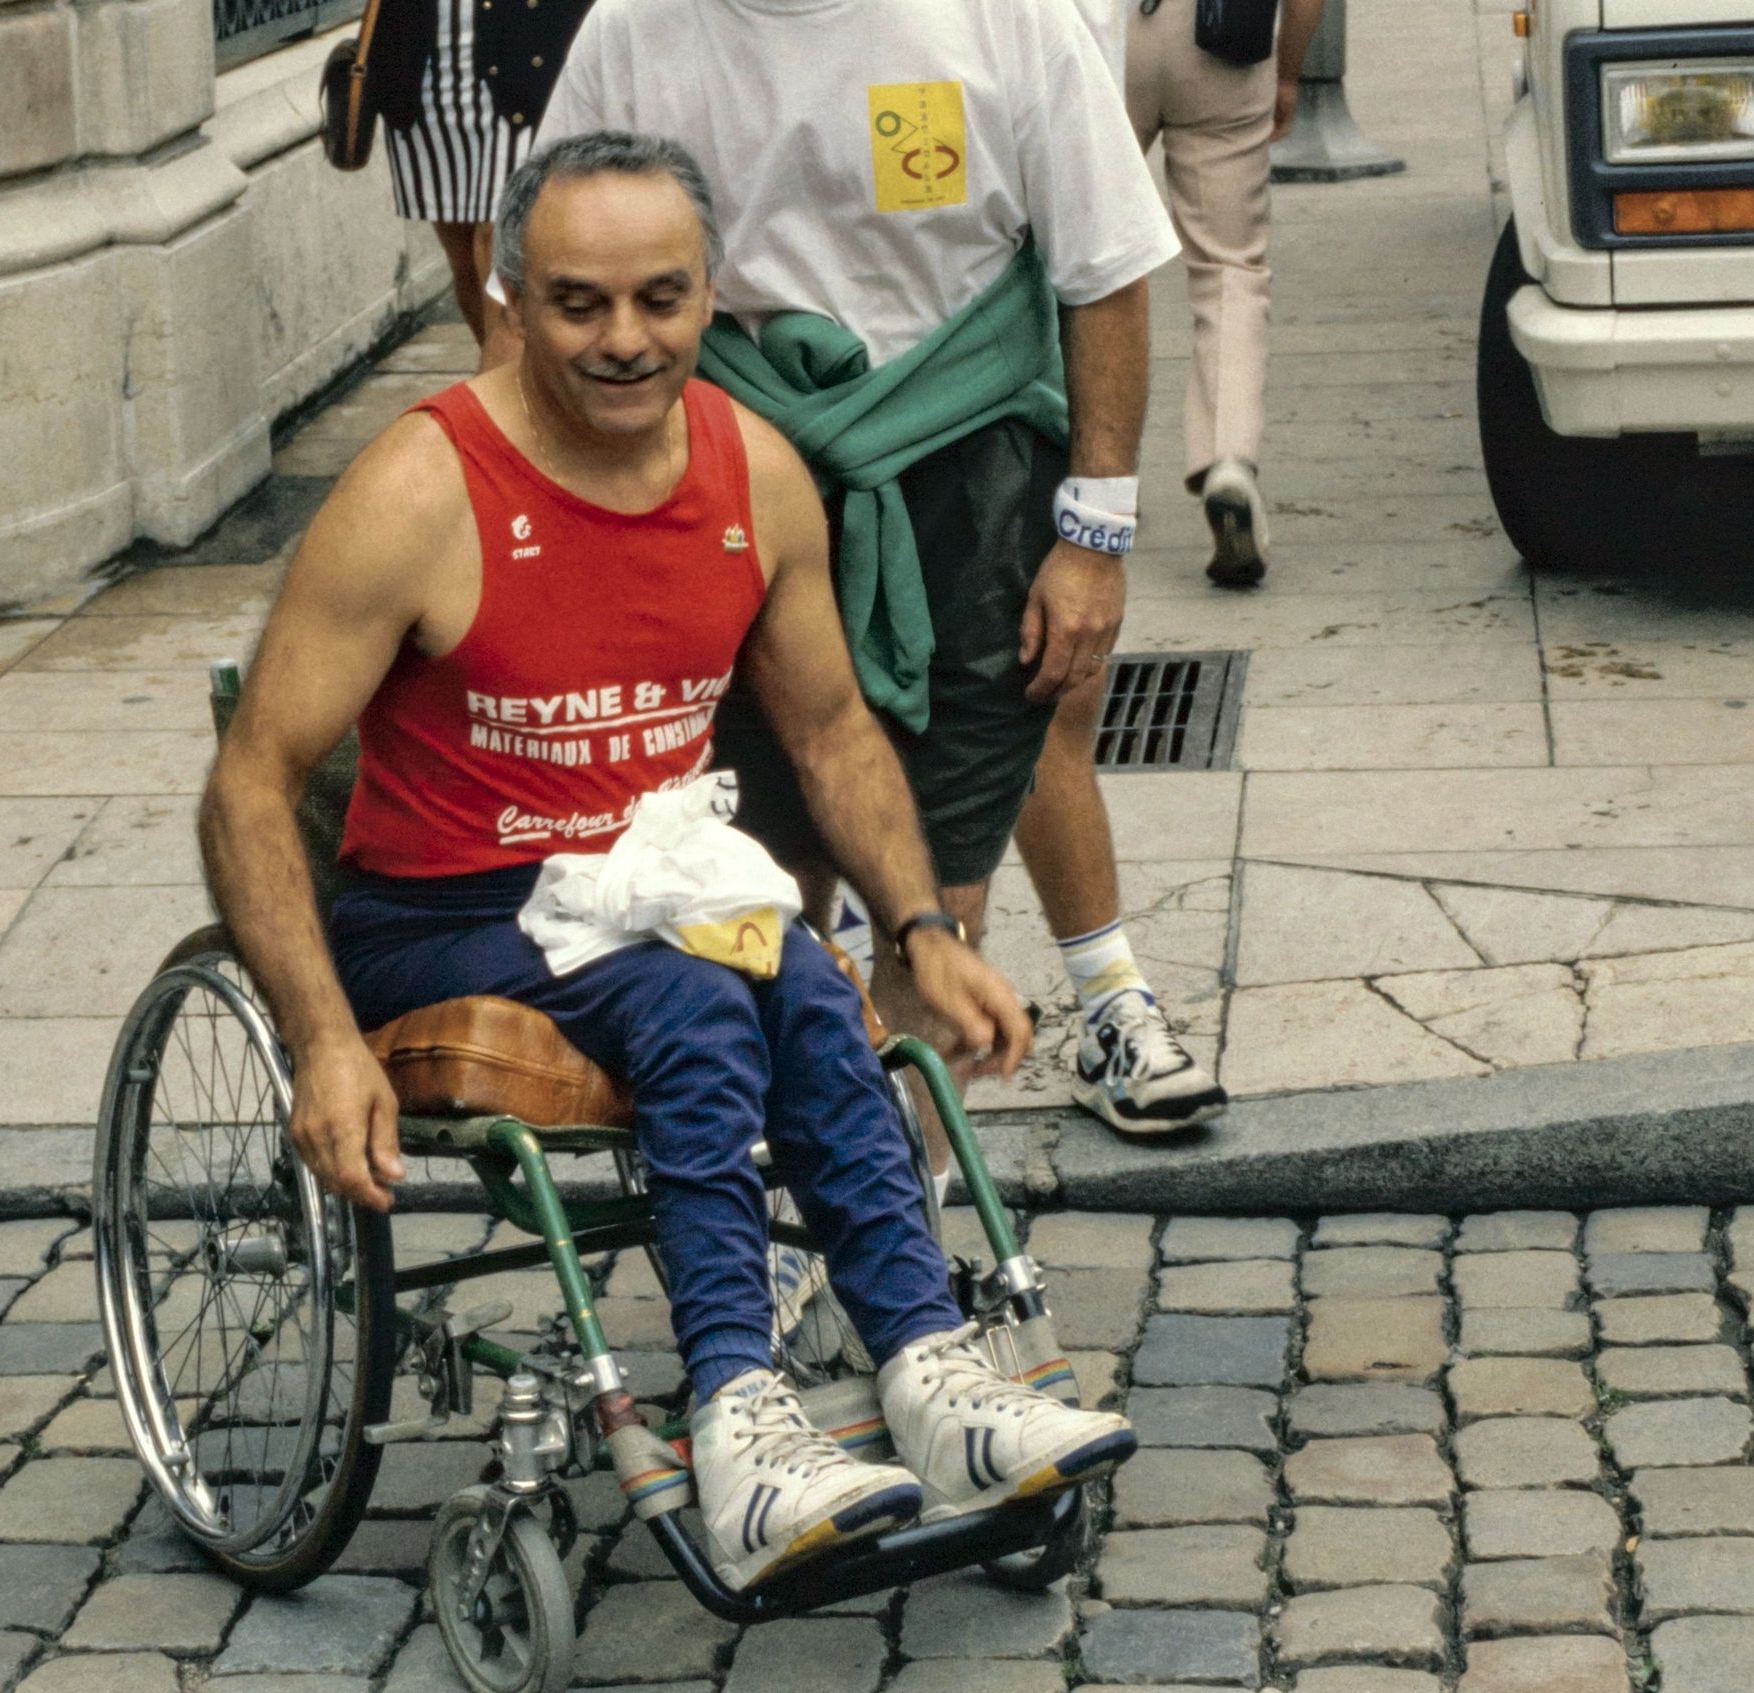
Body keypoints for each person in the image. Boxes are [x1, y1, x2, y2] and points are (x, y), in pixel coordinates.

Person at [198, 132, 1135, 1593]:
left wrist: (919, 924)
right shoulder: (419, 492)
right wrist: (321, 1041)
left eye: (659, 299)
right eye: (577, 303)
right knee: (702, 997)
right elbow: (250, 784)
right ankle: (739, 1422)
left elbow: (829, 732)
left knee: (811, 985)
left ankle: (927, 1372)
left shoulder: (754, 474)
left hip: (656, 887)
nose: (623, 340)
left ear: (713, 298)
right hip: (442, 911)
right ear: (509, 299)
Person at [532, 0, 1230, 1140]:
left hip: (977, 484)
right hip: (732, 482)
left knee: (939, 905)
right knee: (753, 891)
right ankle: (778, 1208)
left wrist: (1095, 537)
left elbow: (1105, 270)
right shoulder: (633, 30)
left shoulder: (1002, 17)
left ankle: (898, 1225)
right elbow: (538, 286)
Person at [1127, 0, 1324, 588]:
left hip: (1107, 39)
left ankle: (1093, 476)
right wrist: (1287, 75)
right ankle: (1227, 461)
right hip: (1222, 39)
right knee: (1228, 269)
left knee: (1087, 262)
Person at [369, 0, 596, 358]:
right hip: (426, 67)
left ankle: (510, 384)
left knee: (499, 244)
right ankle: (503, 375)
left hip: (523, 56)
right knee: (461, 255)